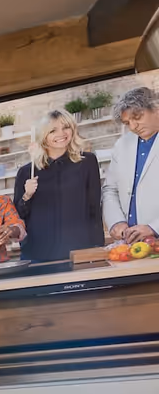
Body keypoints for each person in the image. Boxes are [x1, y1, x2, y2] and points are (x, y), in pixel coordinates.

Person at [13, 109, 102, 264]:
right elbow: (18, 216)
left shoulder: (87, 162)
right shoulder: (27, 172)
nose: (61, 134)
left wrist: (97, 246)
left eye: (66, 127)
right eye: (53, 130)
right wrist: (27, 196)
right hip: (39, 254)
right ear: (43, 136)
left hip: (79, 250)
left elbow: (94, 206)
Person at [103, 86, 159, 244]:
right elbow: (110, 189)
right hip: (131, 243)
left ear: (156, 109)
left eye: (137, 117)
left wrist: (154, 227)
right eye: (127, 123)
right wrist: (116, 221)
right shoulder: (122, 144)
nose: (133, 127)